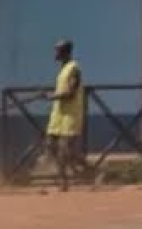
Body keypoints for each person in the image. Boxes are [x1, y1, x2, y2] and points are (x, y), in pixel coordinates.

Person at [41, 39, 85, 192]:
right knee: (50, 146)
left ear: (65, 52)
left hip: (70, 116)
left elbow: (71, 93)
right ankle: (84, 170)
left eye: (58, 50)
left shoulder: (74, 69)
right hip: (58, 115)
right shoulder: (63, 69)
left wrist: (51, 96)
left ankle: (65, 180)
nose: (55, 53)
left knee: (64, 150)